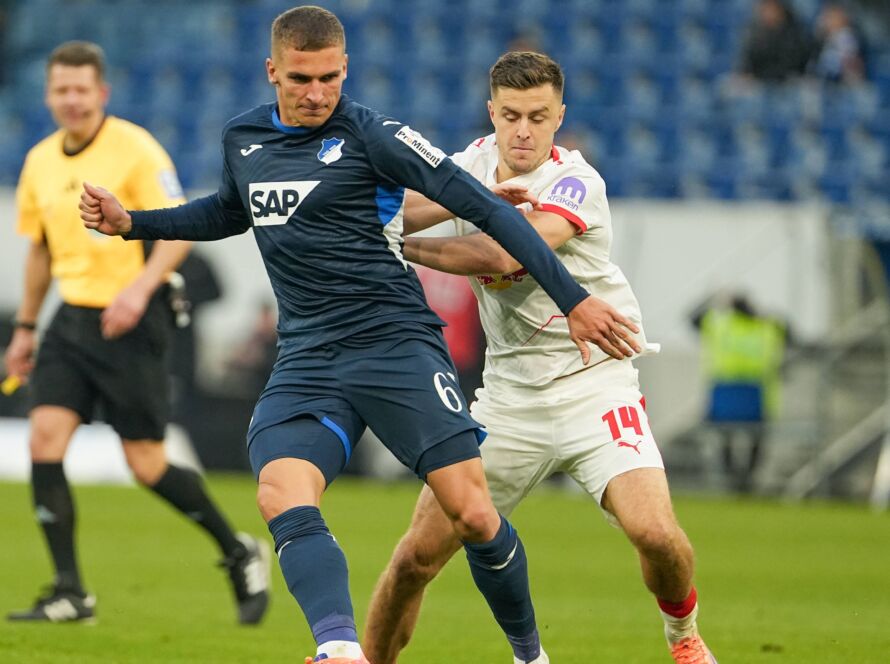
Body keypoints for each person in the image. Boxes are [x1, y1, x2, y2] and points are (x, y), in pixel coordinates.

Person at [78, 7, 642, 663]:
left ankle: (529, 655)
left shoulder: (375, 135)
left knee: (472, 514)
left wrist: (574, 301)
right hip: (309, 356)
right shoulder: (244, 138)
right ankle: (339, 648)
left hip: (395, 345)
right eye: (301, 79)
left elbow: (487, 209)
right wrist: (133, 223)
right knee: (280, 493)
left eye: (329, 78)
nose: (317, 93)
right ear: (273, 71)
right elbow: (230, 212)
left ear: (344, 69)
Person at [362, 52, 716, 664]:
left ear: (559, 118)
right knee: (414, 559)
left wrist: (396, 245)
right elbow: (394, 209)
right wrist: (430, 207)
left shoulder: (578, 182)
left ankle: (683, 635)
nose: (523, 131)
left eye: (537, 117)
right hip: (508, 399)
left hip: (593, 383)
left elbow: (504, 254)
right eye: (511, 116)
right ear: (491, 113)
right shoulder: (469, 165)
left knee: (656, 534)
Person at [4, 41, 270, 625]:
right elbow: (40, 251)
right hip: (72, 318)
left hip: (133, 319)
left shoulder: (135, 149)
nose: (71, 100)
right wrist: (25, 327)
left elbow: (177, 231)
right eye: (61, 89)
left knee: (146, 463)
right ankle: (70, 592)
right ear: (48, 95)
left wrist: (140, 289)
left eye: (81, 89)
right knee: (44, 440)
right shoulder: (40, 161)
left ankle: (237, 550)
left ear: (101, 92)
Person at [691, 292, 788, 493]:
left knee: (727, 435)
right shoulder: (767, 325)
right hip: (752, 392)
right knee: (752, 436)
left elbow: (693, 318)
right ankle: (745, 478)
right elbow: (791, 334)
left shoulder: (720, 324)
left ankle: (736, 478)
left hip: (731, 391)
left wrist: (712, 298)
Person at [737, 0, 811, 83]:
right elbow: (745, 63)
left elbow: (798, 64)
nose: (769, 14)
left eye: (773, 9)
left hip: (790, 82)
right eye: (766, 9)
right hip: (759, 82)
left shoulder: (796, 32)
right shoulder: (753, 33)